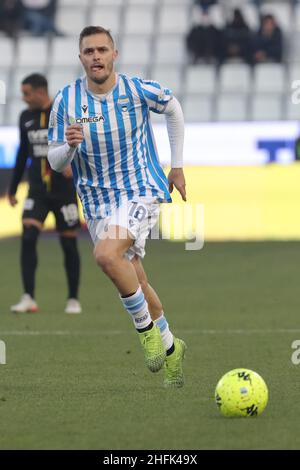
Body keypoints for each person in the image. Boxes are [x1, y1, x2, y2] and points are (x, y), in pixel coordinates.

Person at [48, 26, 187, 388]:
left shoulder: (137, 90)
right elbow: (54, 161)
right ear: (80, 58)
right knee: (135, 277)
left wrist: (178, 164)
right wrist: (69, 146)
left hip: (139, 188)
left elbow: (173, 108)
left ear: (114, 55)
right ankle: (172, 346)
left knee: (107, 255)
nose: (96, 57)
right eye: (89, 51)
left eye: (102, 50)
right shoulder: (65, 101)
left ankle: (146, 333)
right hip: (96, 202)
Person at [8, 73, 82, 315]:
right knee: (28, 237)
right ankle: (28, 296)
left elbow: (81, 143)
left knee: (68, 243)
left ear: (41, 92)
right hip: (37, 191)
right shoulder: (25, 117)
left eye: (27, 93)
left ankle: (73, 299)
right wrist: (13, 188)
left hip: (63, 191)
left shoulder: (62, 114)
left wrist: (76, 166)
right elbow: (22, 154)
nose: (24, 98)